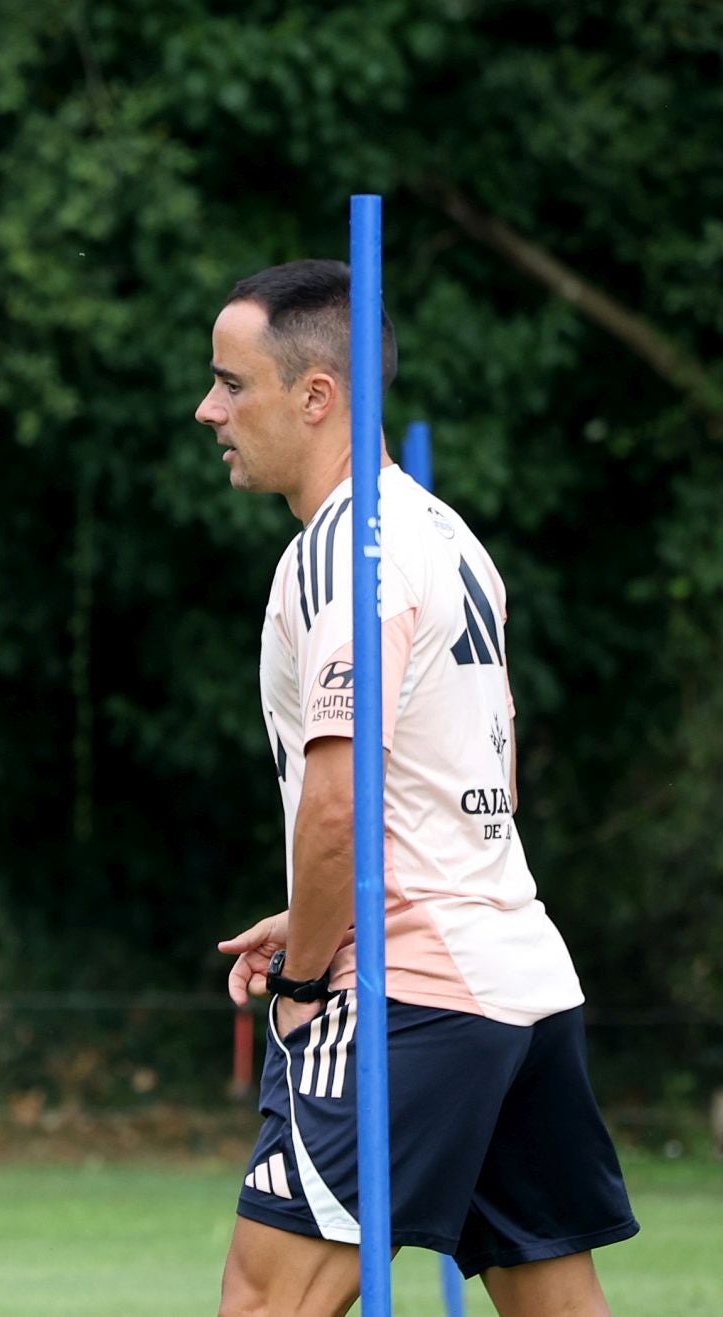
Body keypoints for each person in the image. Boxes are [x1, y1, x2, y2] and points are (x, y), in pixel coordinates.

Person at [195, 260, 637, 1317]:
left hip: (413, 995)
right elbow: (488, 776)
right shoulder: (448, 536)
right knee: (559, 1306)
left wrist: (306, 977)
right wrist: (314, 907)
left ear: (316, 396)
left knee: (265, 1303)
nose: (208, 408)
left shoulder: (344, 555)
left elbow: (343, 806)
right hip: (520, 979)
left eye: (231, 382)